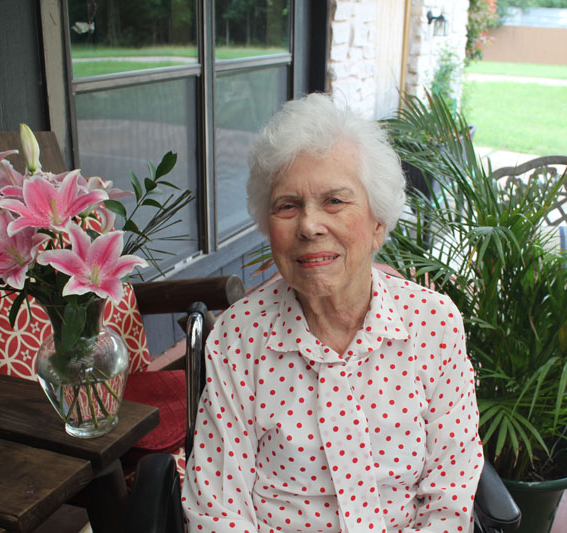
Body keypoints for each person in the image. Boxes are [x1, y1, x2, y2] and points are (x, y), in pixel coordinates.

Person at [183, 93, 483, 532]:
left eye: (335, 201)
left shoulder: (433, 324)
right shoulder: (238, 338)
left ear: (378, 222)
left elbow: (450, 490)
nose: (308, 225)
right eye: (287, 206)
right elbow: (218, 510)